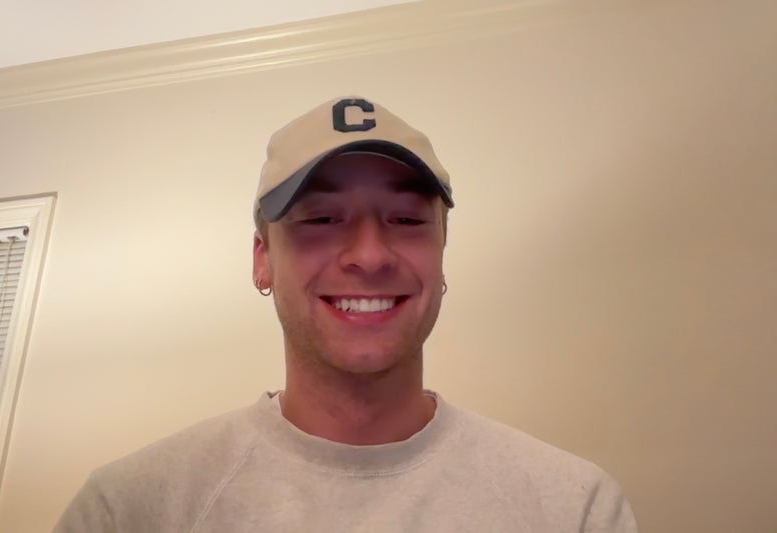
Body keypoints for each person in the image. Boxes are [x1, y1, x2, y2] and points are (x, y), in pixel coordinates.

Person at [55, 96, 638, 532]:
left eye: (406, 220)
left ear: (441, 253)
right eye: (321, 220)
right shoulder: (127, 510)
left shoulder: (575, 508)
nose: (369, 256)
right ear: (262, 260)